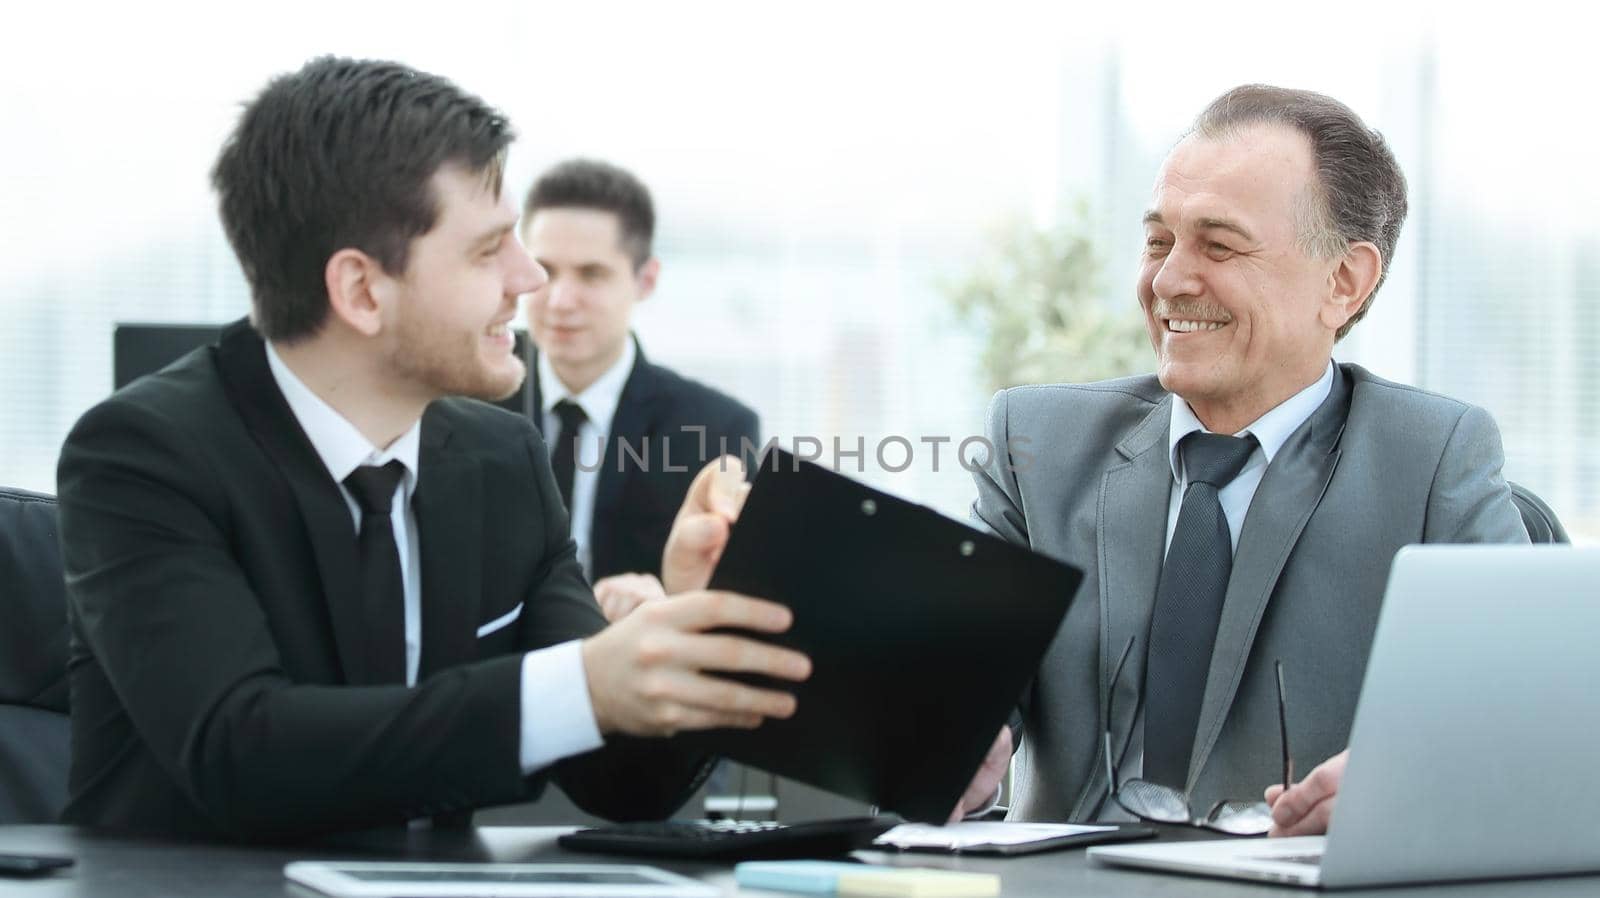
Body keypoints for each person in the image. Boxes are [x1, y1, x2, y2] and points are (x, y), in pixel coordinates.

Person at [54, 56, 808, 840]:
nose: (530, 279)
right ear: (361, 291)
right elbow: (241, 750)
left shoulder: (502, 460)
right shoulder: (142, 457)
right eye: (490, 251)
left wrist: (687, 634)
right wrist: (583, 684)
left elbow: (618, 781)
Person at [950, 84, 1529, 829]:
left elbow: (1519, 718)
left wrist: (1412, 784)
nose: (1167, 281)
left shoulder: (1430, 460)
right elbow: (957, 689)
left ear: (1344, 283)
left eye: (1218, 245)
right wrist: (939, 746)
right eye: (1158, 241)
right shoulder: (1036, 443)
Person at [520, 159, 760, 621]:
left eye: (591, 274)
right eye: (544, 269)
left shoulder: (715, 428)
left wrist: (669, 602)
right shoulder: (460, 395)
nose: (560, 300)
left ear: (645, 280)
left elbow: (724, 597)